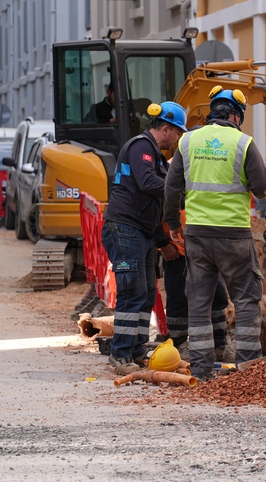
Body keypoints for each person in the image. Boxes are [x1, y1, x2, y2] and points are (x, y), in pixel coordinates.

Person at [164, 86, 266, 382]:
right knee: (247, 299)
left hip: (197, 234)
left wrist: (173, 224)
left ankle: (199, 370)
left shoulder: (187, 141)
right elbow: (262, 187)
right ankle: (248, 368)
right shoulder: (243, 143)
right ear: (237, 116)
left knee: (198, 302)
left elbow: (171, 188)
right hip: (234, 234)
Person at [102, 101, 188, 375]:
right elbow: (147, 183)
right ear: (166, 129)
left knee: (147, 292)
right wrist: (177, 188)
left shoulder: (154, 154)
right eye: (178, 133)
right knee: (132, 291)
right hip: (124, 229)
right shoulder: (141, 147)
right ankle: (120, 354)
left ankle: (136, 349)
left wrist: (163, 241)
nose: (178, 139)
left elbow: (149, 208)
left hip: (138, 230)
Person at [160, 208, 236, 364]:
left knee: (217, 295)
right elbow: (153, 215)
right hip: (178, 250)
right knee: (178, 297)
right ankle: (179, 343)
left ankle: (219, 343)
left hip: (207, 246)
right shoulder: (165, 185)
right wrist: (162, 243)